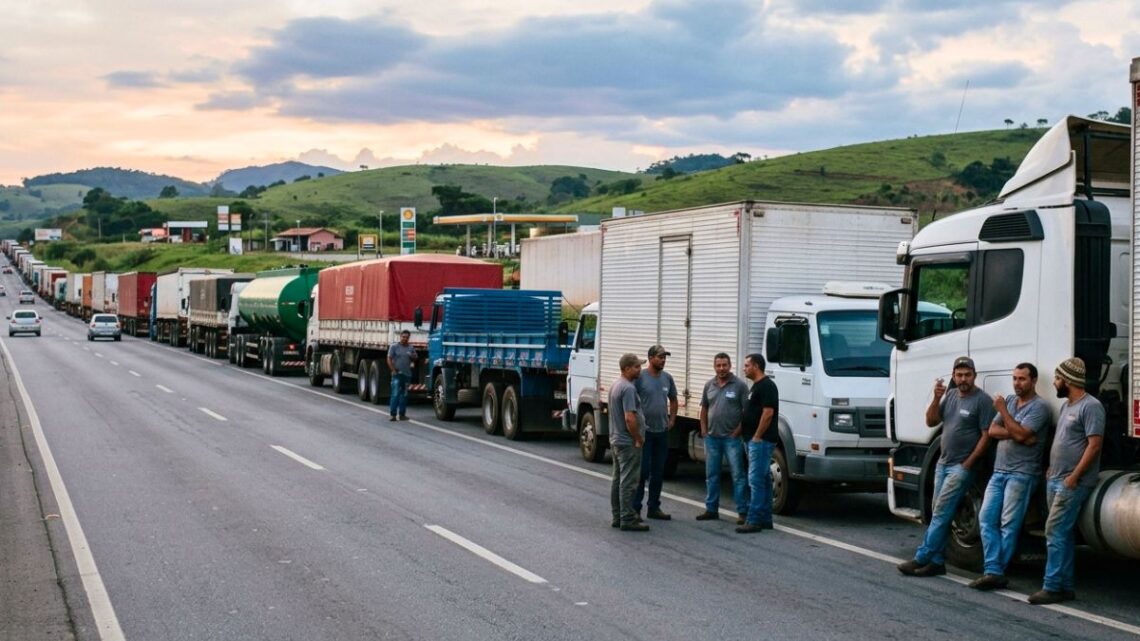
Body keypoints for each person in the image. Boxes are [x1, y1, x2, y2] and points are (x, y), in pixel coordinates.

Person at [898, 356, 994, 577]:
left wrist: (968, 463)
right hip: (943, 463)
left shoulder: (982, 400)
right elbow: (931, 421)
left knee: (942, 512)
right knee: (937, 511)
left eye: (967, 375)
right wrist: (935, 398)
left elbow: (986, 436)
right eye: (959, 375)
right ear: (953, 376)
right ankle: (937, 561)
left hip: (961, 467)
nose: (963, 379)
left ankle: (922, 557)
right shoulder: (950, 396)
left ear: (974, 376)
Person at [1028, 357, 1104, 605]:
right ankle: (1066, 586)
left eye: (1058, 379)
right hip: (1057, 478)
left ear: (1069, 380)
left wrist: (1074, 477)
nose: (1055, 383)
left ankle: (1052, 586)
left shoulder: (1090, 406)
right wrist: (1052, 467)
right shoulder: (1066, 407)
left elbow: (1094, 446)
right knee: (1063, 534)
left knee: (1055, 531)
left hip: (1073, 482)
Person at [969, 363, 1050, 591]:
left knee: (1008, 523)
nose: (1017, 383)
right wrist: (1017, 434)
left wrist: (1005, 414)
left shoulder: (1039, 407)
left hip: (1022, 474)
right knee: (986, 518)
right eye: (1014, 378)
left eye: (1022, 379)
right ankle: (994, 569)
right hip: (999, 471)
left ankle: (995, 571)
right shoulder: (1012, 401)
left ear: (1033, 381)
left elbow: (1024, 433)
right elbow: (993, 431)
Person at [695, 353, 750, 524]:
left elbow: (747, 412)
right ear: (714, 367)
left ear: (730, 365)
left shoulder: (740, 386)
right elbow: (704, 408)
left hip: (731, 439)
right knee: (711, 475)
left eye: (724, 365)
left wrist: (737, 431)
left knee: (738, 476)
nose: (721, 369)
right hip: (712, 438)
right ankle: (711, 509)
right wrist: (703, 429)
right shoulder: (709, 385)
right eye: (718, 365)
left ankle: (743, 512)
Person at [634, 345, 678, 520]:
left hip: (661, 432)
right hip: (645, 432)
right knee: (642, 472)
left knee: (658, 472)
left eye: (664, 357)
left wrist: (672, 419)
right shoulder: (640, 378)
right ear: (651, 358)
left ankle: (654, 507)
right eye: (660, 357)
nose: (663, 360)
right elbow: (630, 400)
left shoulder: (667, 378)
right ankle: (635, 508)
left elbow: (673, 400)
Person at [737, 353, 778, 534]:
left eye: (747, 365)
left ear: (756, 366)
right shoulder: (756, 386)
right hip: (752, 439)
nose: (744, 368)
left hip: (760, 441)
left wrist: (757, 436)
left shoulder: (767, 386)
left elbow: (768, 413)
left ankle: (753, 520)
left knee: (755, 480)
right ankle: (765, 518)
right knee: (764, 479)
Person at [610, 353, 648, 531]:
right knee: (629, 482)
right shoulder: (628, 389)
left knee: (618, 479)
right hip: (627, 442)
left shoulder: (616, 385)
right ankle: (627, 518)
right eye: (636, 367)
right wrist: (638, 438)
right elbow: (630, 418)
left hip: (617, 439)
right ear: (626, 369)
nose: (639, 369)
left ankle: (617, 516)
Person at [387, 330, 417, 421]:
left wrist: (412, 356)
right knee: (395, 394)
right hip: (397, 374)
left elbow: (415, 358)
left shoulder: (411, 348)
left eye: (406, 337)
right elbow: (389, 358)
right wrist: (393, 370)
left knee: (404, 395)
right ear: (400, 337)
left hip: (407, 375)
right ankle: (393, 415)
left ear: (409, 338)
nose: (405, 339)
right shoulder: (394, 347)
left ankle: (402, 414)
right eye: (403, 337)